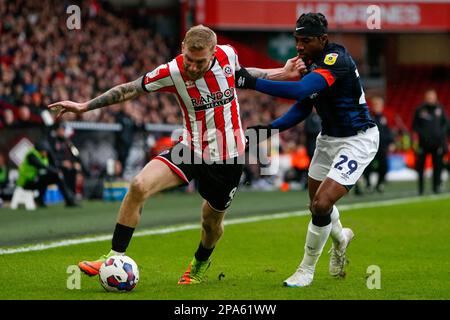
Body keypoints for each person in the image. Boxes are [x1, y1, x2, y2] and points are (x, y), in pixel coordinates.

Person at [49, 25, 303, 285]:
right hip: (190, 149)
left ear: (214, 52)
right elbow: (130, 88)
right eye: (189, 60)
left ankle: (200, 264)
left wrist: (283, 73)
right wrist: (85, 106)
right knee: (138, 185)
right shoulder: (172, 71)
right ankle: (114, 256)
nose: (193, 67)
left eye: (200, 61)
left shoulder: (228, 55)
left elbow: (245, 76)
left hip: (228, 159)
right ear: (183, 47)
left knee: (211, 224)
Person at [237, 12, 379, 287]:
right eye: (296, 40)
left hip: (357, 139)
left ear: (323, 39)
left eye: (305, 40)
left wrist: (251, 82)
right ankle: (341, 239)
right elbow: (304, 102)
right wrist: (270, 129)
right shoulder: (312, 62)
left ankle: (306, 270)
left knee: (322, 203)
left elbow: (301, 88)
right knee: (315, 206)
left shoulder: (335, 60)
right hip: (328, 139)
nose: (299, 46)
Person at [16, 141, 78, 208]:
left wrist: (61, 167)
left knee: (56, 177)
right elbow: (41, 166)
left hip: (35, 179)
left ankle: (69, 200)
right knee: (48, 177)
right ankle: (40, 200)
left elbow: (51, 165)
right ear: (40, 149)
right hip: (26, 182)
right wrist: (56, 171)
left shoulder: (41, 156)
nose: (46, 153)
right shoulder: (31, 155)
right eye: (44, 151)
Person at [412, 88, 449, 195]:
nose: (430, 98)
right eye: (428, 97)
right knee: (421, 167)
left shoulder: (440, 109)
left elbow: (446, 124)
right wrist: (420, 137)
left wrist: (443, 136)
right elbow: (415, 126)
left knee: (437, 166)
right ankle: (421, 189)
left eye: (432, 96)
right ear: (425, 98)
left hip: (437, 144)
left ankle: (436, 186)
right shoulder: (419, 110)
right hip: (423, 144)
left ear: (435, 97)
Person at [363, 96, 394, 193]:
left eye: (379, 104)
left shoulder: (384, 118)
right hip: (370, 146)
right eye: (375, 104)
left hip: (382, 147)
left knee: (384, 165)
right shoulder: (368, 117)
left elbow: (387, 132)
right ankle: (368, 184)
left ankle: (380, 183)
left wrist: (391, 142)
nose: (377, 106)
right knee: (367, 166)